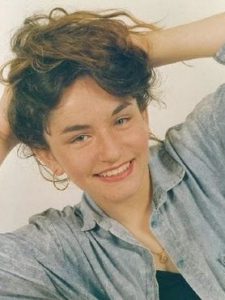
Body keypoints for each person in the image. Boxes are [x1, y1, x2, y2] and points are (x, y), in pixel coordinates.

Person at [0, 7, 225, 300]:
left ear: (143, 115)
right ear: (48, 156)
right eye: (80, 137)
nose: (111, 151)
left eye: (121, 120)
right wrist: (3, 130)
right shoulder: (51, 256)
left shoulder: (205, 150)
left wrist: (141, 48)